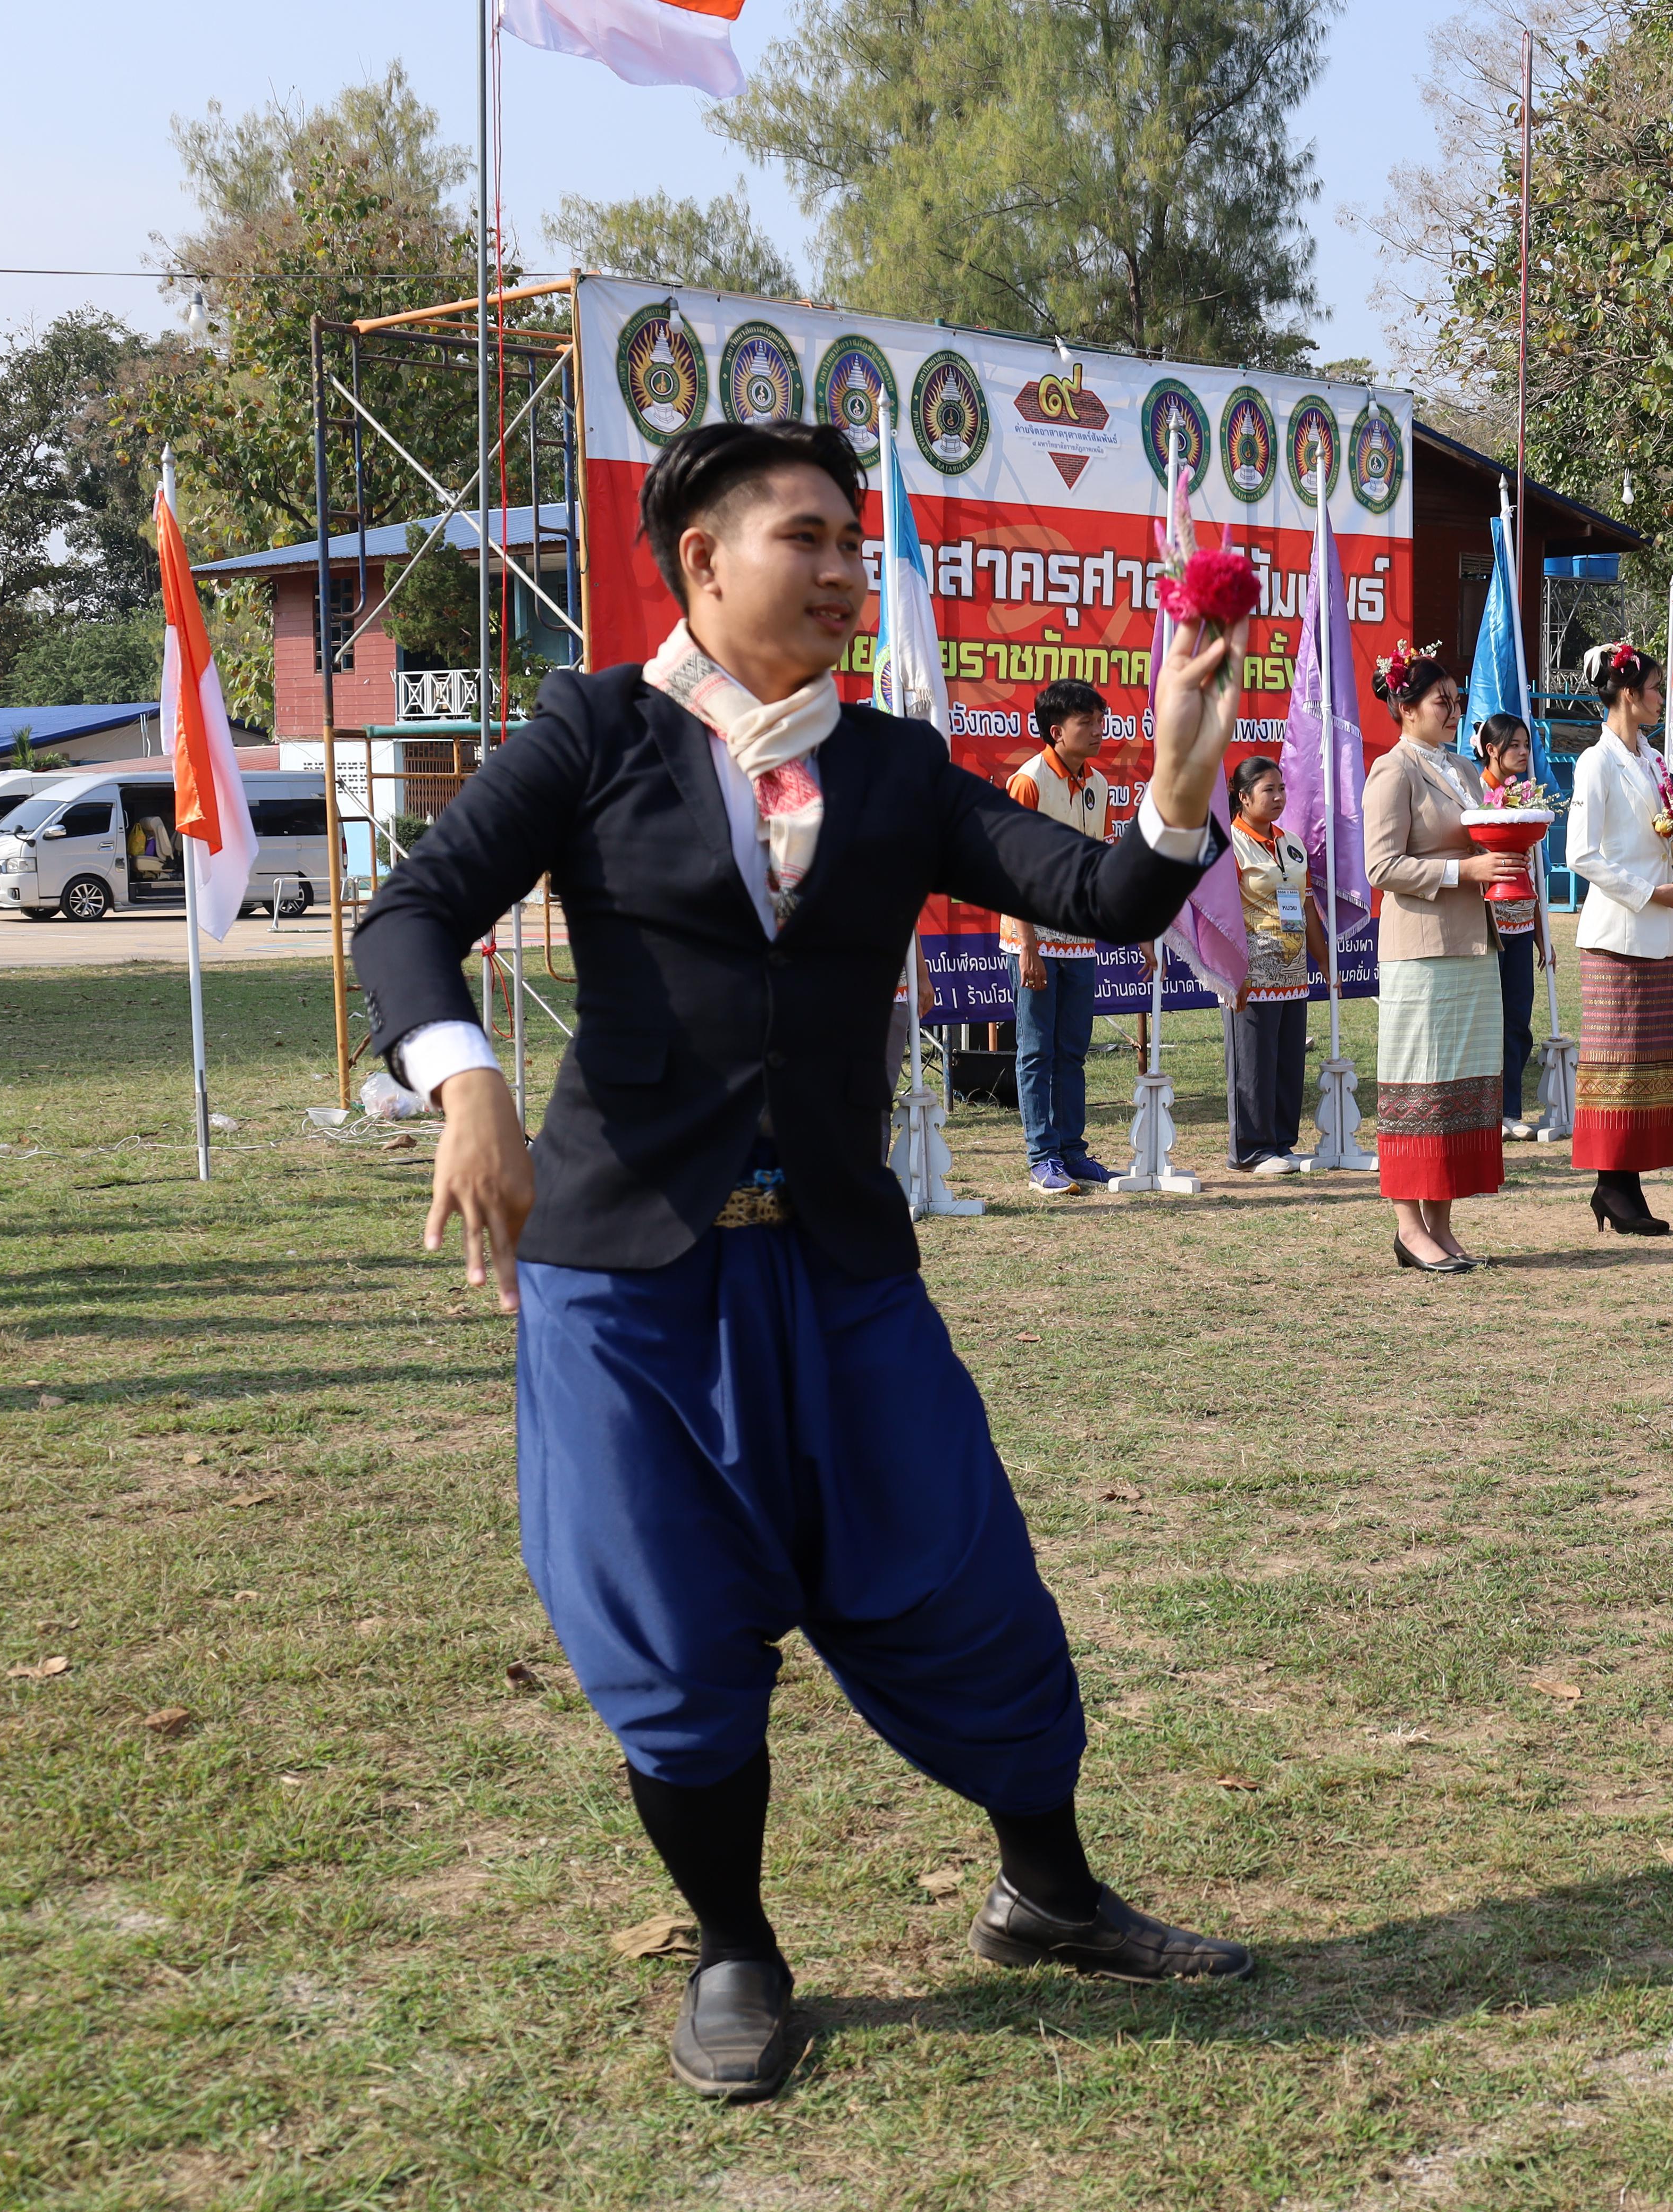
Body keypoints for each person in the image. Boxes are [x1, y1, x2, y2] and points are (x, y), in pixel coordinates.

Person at [356, 420, 1254, 2104]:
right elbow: (406, 916)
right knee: (672, 1626)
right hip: (626, 1276)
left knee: (966, 1575)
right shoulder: (592, 730)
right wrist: (462, 1078)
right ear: (702, 558)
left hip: (839, 1264)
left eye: (854, 541)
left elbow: (1109, 895)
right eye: (809, 539)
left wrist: (1183, 772)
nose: (847, 569)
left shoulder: (897, 766)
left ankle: (1048, 1890)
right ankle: (735, 1952)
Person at [1361, 643, 1524, 1271]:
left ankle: (1442, 1221)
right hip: (1421, 952)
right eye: (1441, 701)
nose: (1454, 711)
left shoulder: (1462, 768)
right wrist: (1466, 870)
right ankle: (1408, 1225)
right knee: (1418, 1088)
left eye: (1458, 702)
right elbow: (1382, 865)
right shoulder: (1393, 770)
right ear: (1406, 706)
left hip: (1473, 944)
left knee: (1462, 1089)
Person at [1567, 639, 1673, 1235]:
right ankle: (1610, 1183)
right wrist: (1648, 892)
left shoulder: (1653, 759)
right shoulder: (1595, 762)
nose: (1657, 699)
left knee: (1649, 1064)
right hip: (1618, 931)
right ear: (1626, 693)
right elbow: (1582, 854)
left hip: (1656, 931)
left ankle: (1629, 1182)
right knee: (1615, 1064)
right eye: (1651, 689)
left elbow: (1657, 832)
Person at [1003, 679, 1116, 1195]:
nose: (1099, 728)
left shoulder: (1100, 784)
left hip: (1078, 940)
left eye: (1100, 718)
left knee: (1072, 1049)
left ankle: (1073, 1151)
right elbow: (1011, 869)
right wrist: (1027, 943)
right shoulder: (1028, 782)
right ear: (1057, 731)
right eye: (1087, 721)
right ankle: (1042, 1158)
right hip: (1033, 939)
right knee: (1035, 1052)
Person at [1223, 754, 1326, 1173]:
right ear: (1244, 798)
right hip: (1252, 973)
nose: (1280, 796)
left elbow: (1306, 907)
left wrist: (1326, 962)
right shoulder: (1230, 843)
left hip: (1293, 972)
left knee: (1287, 1061)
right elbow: (1222, 914)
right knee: (1252, 1061)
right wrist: (1232, 972)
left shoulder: (1292, 843)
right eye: (1269, 790)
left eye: (1282, 788)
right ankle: (1250, 1149)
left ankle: (1282, 1143)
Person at [1474, 713, 1550, 1135]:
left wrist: (1542, 937)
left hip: (1522, 924)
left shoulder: (1527, 794)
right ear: (1492, 750)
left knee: (1518, 1019)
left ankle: (1511, 1111)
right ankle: (1489, 1110)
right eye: (1515, 746)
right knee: (1489, 1019)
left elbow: (1534, 872)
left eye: (1527, 745)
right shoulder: (1475, 794)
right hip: (1487, 923)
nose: (1524, 753)